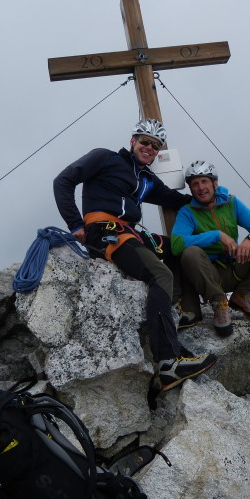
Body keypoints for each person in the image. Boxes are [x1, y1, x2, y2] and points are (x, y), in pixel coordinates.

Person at [53, 119, 217, 390]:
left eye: (155, 145)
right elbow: (63, 180)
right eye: (144, 141)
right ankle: (167, 363)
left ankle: (178, 313)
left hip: (130, 233)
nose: (149, 148)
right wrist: (75, 224)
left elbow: (176, 199)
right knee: (160, 274)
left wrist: (210, 196)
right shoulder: (104, 158)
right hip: (105, 230)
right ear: (132, 141)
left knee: (178, 248)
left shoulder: (146, 179)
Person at [171, 160, 250, 336]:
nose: (201, 188)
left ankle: (243, 295)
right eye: (195, 184)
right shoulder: (187, 212)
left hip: (237, 266)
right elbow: (177, 244)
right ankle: (219, 303)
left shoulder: (232, 203)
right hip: (211, 276)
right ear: (191, 189)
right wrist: (216, 235)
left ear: (215, 183)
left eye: (204, 181)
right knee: (190, 253)